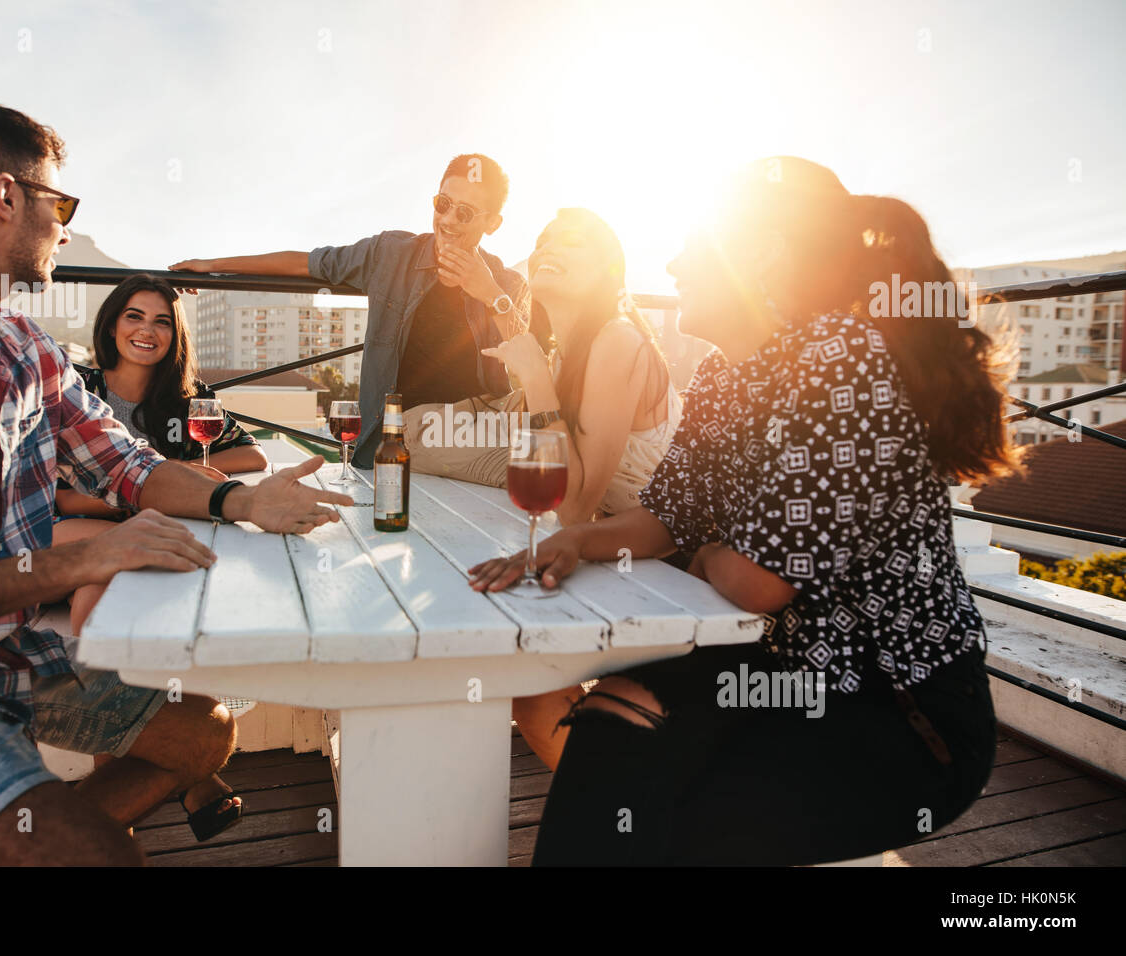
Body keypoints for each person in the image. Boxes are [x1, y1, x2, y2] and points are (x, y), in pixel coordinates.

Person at [0, 96, 350, 867]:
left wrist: (244, 500)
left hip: (6, 660)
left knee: (204, 731)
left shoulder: (27, 350)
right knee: (98, 856)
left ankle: (25, 830)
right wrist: (79, 561)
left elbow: (128, 466)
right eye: (58, 202)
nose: (65, 227)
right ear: (5, 197)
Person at [469, 157, 1018, 866]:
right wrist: (578, 539)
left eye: (694, 247)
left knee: (642, 802)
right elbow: (665, 516)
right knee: (611, 726)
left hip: (898, 710)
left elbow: (758, 584)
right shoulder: (727, 377)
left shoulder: (841, 360)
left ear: (758, 255)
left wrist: (710, 554)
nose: (671, 263)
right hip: (775, 671)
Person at [454, 209, 680, 770]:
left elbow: (573, 506)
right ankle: (615, 809)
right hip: (620, 557)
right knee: (533, 694)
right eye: (544, 238)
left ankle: (619, 811)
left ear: (608, 267)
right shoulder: (569, 351)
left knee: (539, 694)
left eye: (571, 240)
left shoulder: (619, 340)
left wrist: (535, 379)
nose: (549, 244)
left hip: (678, 570)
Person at [52, 273, 268, 841]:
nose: (147, 330)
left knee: (121, 581)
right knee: (121, 561)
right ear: (111, 323)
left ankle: (129, 796)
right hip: (63, 532)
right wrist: (139, 496)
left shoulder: (188, 399)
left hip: (136, 534)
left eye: (162, 321)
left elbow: (250, 454)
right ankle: (194, 778)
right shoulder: (80, 386)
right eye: (134, 316)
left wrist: (191, 476)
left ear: (176, 335)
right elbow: (54, 493)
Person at [169, 153, 533, 467]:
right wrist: (211, 264)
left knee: (567, 418)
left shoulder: (508, 283)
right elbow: (306, 264)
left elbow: (532, 369)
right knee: (533, 458)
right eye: (443, 204)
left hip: (485, 421)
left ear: (492, 224)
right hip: (414, 430)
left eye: (466, 212)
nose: (449, 220)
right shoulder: (391, 254)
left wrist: (491, 294)